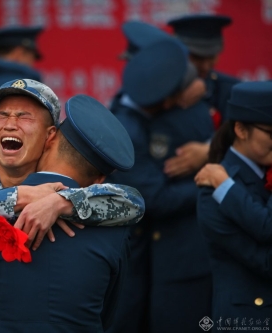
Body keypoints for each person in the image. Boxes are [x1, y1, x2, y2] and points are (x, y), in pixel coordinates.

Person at [0, 79, 144, 332]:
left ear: (50, 137)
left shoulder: (75, 195)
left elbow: (133, 202)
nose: (10, 124)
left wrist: (61, 202)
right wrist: (16, 198)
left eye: (24, 117)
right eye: (1, 115)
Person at [107, 39, 213, 333]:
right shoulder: (128, 132)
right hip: (134, 256)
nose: (176, 103)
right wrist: (210, 180)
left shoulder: (139, 104)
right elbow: (155, 199)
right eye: (171, 98)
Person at [195, 81, 272, 324]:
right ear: (240, 129)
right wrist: (227, 186)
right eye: (271, 133)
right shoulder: (212, 191)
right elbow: (265, 261)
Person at [111, 20, 210, 179]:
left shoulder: (195, 94)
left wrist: (209, 150)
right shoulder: (126, 129)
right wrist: (211, 182)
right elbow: (154, 195)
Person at [168, 14, 241, 125]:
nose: (205, 66)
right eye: (197, 57)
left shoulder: (229, 91)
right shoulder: (161, 86)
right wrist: (174, 100)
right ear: (178, 52)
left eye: (211, 57)